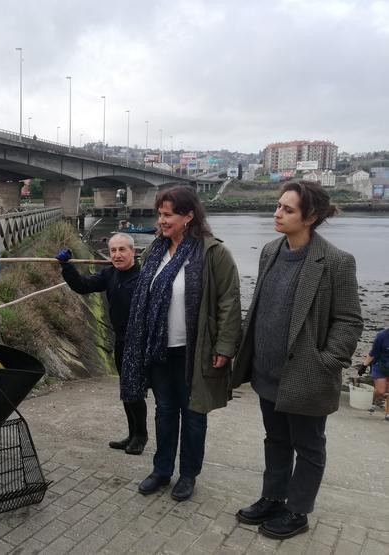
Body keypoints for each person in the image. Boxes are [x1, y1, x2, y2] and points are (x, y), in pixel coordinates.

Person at [232, 180, 363, 540]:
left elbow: (349, 320)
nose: (277, 213)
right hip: (266, 371)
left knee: (308, 446)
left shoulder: (335, 262)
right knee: (274, 440)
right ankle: (273, 497)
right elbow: (260, 307)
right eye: (278, 206)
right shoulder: (270, 251)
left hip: (307, 375)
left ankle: (297, 510)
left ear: (311, 217)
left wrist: (328, 361)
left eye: (287, 209)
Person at [122, 185, 241, 502]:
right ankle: (162, 470)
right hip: (159, 350)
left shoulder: (213, 254)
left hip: (195, 351)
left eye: (168, 214)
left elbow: (229, 303)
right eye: (160, 214)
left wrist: (224, 348)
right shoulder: (154, 252)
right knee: (164, 411)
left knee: (193, 414)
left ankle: (188, 475)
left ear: (189, 216)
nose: (161, 220)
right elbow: (141, 295)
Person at [55, 233, 148, 455]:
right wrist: (66, 266)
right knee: (126, 390)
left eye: (122, 250)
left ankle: (141, 436)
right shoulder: (110, 274)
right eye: (113, 250)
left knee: (135, 392)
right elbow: (83, 286)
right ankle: (132, 434)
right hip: (121, 341)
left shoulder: (145, 278)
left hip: (140, 343)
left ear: (133, 252)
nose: (117, 254)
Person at [360, 328, 389, 409]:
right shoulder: (382, 336)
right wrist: (364, 366)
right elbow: (373, 353)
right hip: (379, 364)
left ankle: (388, 413)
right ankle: (371, 401)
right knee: (381, 391)